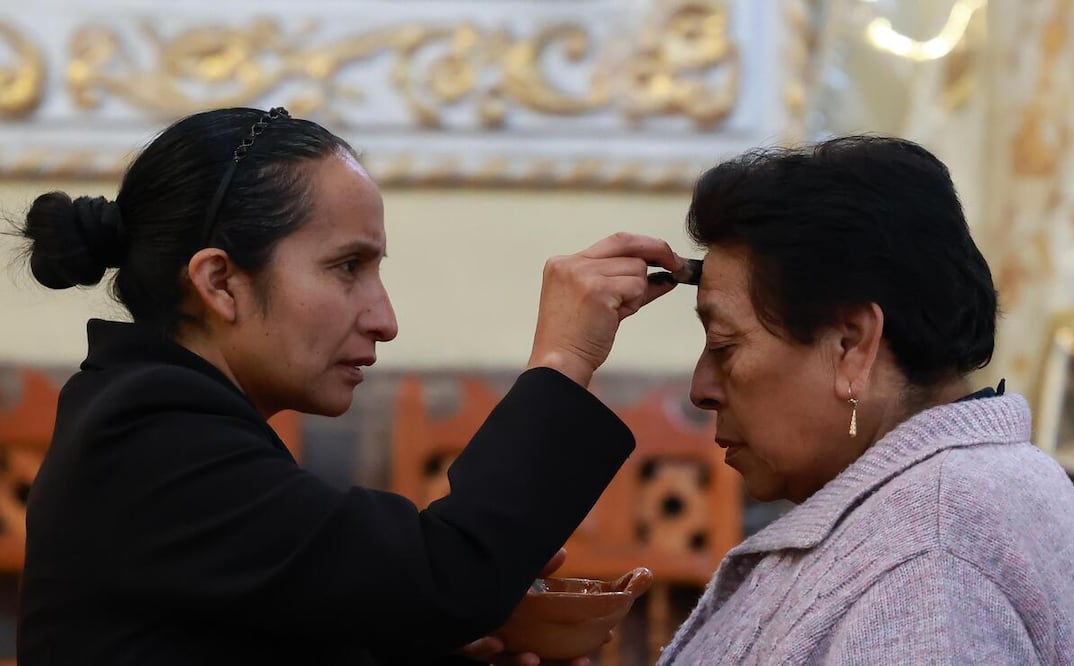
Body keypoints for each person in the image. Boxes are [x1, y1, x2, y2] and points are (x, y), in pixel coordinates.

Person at [13, 107, 687, 665]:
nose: (384, 320)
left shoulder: (159, 414)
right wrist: (564, 357)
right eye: (346, 267)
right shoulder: (149, 437)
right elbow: (447, 578)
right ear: (220, 282)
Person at [659, 136, 1074, 664]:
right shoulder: (970, 491)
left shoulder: (927, 565)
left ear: (852, 344)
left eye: (725, 345)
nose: (702, 388)